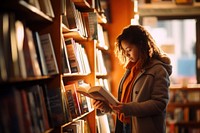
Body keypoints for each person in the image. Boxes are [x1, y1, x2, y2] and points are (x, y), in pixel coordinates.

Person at [93, 25, 172, 133]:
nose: (126, 54)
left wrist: (128, 108)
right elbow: (126, 104)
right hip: (125, 127)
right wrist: (108, 107)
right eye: (124, 50)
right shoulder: (131, 70)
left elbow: (159, 104)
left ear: (141, 45)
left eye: (129, 49)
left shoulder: (158, 70)